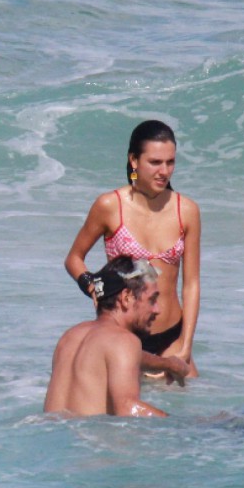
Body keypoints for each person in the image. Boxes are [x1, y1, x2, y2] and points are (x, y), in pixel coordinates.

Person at [65, 120, 201, 379]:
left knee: (192, 415)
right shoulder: (109, 205)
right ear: (134, 160)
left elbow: (191, 284)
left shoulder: (187, 211)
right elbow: (74, 258)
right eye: (155, 162)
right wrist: (92, 285)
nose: (164, 171)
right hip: (123, 338)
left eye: (170, 162)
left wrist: (185, 345)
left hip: (171, 338)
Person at [44, 256, 168, 418]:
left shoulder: (70, 336)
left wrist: (169, 365)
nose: (157, 309)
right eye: (152, 300)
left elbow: (117, 356)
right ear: (126, 297)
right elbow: (127, 409)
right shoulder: (123, 341)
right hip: (87, 439)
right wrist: (185, 428)